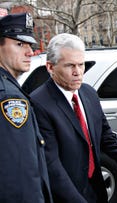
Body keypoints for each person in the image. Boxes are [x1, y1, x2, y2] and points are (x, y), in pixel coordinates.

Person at [30, 33, 117, 203]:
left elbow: (105, 135)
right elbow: (51, 165)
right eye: (70, 66)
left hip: (96, 189)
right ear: (50, 67)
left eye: (81, 64)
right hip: (65, 195)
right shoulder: (38, 103)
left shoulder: (88, 92)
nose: (77, 72)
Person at [0, 13, 52, 203]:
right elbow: (19, 170)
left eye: (29, 45)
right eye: (19, 44)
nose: (29, 52)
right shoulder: (9, 96)